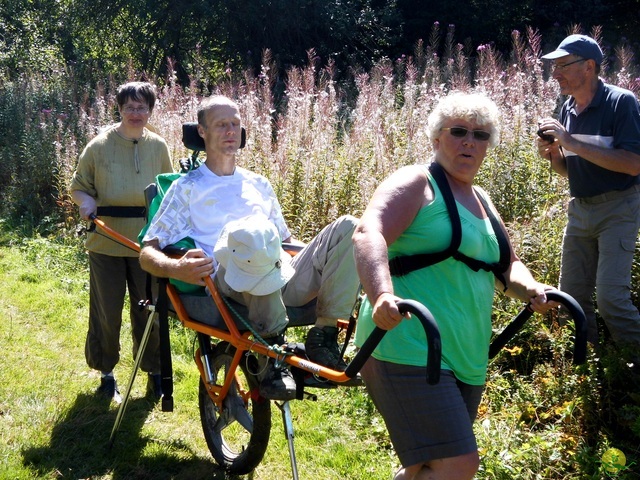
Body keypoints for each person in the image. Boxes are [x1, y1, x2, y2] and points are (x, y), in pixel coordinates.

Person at [352, 91, 559, 480]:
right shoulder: (417, 182)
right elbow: (368, 233)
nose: (469, 142)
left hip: (465, 354)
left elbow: (507, 265)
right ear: (436, 138)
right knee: (458, 465)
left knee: (422, 465)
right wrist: (381, 293)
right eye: (458, 131)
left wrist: (532, 289)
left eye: (480, 135)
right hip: (408, 344)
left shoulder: (482, 199)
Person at [139, 94, 360, 401]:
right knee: (253, 237)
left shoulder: (258, 184)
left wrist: (327, 261)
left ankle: (322, 338)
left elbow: (284, 242)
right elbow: (147, 252)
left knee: (350, 227)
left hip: (277, 276)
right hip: (228, 286)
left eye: (235, 124)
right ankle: (272, 357)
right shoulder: (187, 187)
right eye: (221, 125)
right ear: (202, 131)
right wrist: (176, 268)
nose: (231, 131)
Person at [70, 81, 173, 403]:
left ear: (150, 110)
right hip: (106, 243)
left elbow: (169, 193)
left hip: (147, 247)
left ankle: (155, 372)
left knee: (150, 311)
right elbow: (80, 186)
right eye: (130, 107)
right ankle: (106, 374)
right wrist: (85, 203)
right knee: (107, 311)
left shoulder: (158, 146)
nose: (136, 113)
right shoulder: (99, 146)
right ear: (119, 108)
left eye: (142, 107)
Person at [537, 34, 640, 349]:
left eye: (563, 66)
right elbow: (571, 170)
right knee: (571, 300)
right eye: (554, 67)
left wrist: (570, 142)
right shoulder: (567, 106)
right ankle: (586, 372)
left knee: (611, 300)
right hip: (580, 210)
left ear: (589, 66)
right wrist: (554, 155)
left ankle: (635, 375)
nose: (555, 74)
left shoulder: (621, 103)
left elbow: (633, 164)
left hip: (618, 209)